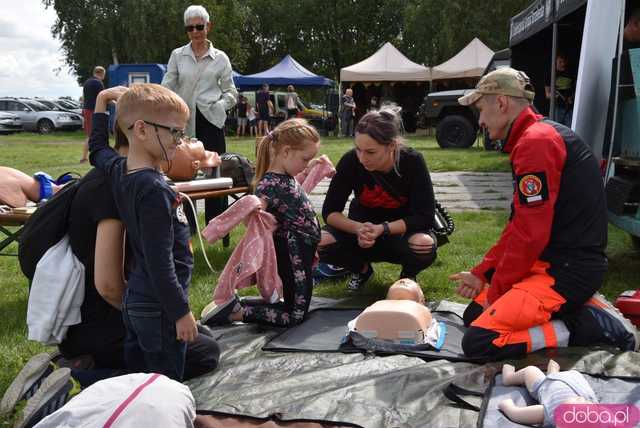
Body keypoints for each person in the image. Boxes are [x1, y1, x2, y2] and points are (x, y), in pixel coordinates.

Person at [451, 67, 638, 361]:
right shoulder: (535, 136)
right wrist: (482, 273)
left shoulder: (535, 142)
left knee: (480, 342)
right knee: (475, 314)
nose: (481, 121)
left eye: (480, 110)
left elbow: (529, 234)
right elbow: (519, 225)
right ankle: (577, 307)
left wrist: (497, 292)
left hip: (565, 272)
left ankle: (582, 325)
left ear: (500, 103)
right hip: (554, 264)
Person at [89, 83, 198, 381]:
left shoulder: (120, 168)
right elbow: (159, 262)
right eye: (175, 132)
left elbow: (97, 149)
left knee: (136, 377)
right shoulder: (153, 189)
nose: (181, 141)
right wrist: (180, 312)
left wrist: (101, 102)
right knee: (163, 383)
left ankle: (70, 384)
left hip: (137, 300)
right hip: (159, 307)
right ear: (141, 130)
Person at [201, 119, 322, 327]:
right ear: (286, 152)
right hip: (293, 249)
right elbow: (254, 212)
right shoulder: (269, 184)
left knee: (297, 302)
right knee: (294, 315)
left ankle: (238, 305)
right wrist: (254, 208)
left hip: (302, 249)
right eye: (304, 159)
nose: (305, 164)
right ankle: (236, 314)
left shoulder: (285, 176)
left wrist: (312, 167)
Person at [319, 106, 437, 291]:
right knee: (319, 242)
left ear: (391, 146)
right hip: (361, 234)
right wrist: (358, 228)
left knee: (423, 244)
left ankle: (407, 278)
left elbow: (425, 216)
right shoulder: (351, 161)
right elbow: (330, 212)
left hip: (400, 235)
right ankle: (361, 270)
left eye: (370, 152)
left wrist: (383, 229)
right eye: (358, 149)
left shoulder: (412, 161)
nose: (362, 158)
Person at [162, 4, 238, 227]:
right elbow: (167, 86)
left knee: (215, 175)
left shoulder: (221, 58)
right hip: (183, 124)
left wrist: (220, 106)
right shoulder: (177, 55)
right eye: (190, 28)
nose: (195, 32)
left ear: (208, 27)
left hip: (211, 121)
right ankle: (188, 227)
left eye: (199, 26)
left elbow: (231, 91)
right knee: (184, 174)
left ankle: (216, 227)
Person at [499, 360, 597, 427]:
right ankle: (553, 373)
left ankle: (509, 378)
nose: (581, 399)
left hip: (544, 385)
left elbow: (516, 414)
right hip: (569, 379)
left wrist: (507, 405)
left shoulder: (548, 413)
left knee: (530, 370)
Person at [80, 66, 105, 163]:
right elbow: (103, 96)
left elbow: (83, 98)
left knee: (90, 134)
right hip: (94, 111)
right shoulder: (98, 83)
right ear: (102, 73)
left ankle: (85, 157)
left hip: (86, 110)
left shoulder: (87, 82)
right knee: (93, 135)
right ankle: (84, 158)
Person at [545, 53, 575, 127]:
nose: (563, 64)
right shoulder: (551, 74)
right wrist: (555, 96)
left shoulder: (571, 73)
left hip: (569, 108)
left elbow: (576, 89)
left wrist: (572, 98)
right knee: (556, 129)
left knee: (570, 129)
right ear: (555, 62)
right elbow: (547, 94)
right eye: (560, 62)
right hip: (557, 108)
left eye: (564, 62)